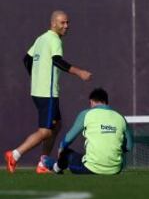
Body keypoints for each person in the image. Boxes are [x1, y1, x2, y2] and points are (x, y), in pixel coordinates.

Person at [4, 10, 92, 174]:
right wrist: (80, 72)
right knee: (45, 130)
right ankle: (15, 154)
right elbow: (57, 61)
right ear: (53, 23)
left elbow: (27, 59)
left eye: (67, 22)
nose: (66, 26)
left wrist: (36, 76)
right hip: (47, 92)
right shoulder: (54, 40)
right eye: (62, 23)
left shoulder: (41, 39)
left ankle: (43, 162)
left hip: (38, 91)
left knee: (56, 125)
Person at [43, 88, 132, 175]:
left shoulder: (86, 114)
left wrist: (61, 149)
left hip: (89, 169)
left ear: (91, 101)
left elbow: (68, 139)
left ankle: (55, 167)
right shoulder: (121, 117)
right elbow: (129, 147)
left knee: (65, 153)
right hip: (115, 170)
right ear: (106, 102)